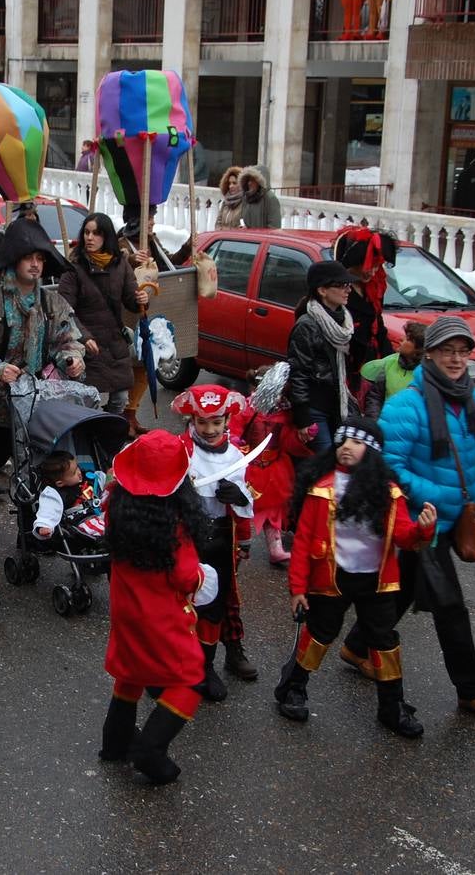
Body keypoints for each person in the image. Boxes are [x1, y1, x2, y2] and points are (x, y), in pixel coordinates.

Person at [339, 316, 475, 717]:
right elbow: (388, 464)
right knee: (449, 604)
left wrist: (470, 492)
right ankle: (473, 688)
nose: (455, 359)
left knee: (405, 590)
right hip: (418, 520)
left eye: (462, 351)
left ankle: (357, 645)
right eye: (447, 351)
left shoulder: (468, 396)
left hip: (453, 515)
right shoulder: (406, 406)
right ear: (429, 354)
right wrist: (443, 496)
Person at [275, 416, 437, 737]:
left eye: (357, 443)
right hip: (331, 578)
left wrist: (423, 528)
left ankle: (391, 707)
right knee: (319, 635)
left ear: (373, 451)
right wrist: (297, 588)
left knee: (384, 643)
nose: (346, 448)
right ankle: (292, 687)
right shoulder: (321, 491)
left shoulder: (389, 494)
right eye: (343, 441)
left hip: (376, 582)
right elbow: (304, 541)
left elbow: (404, 536)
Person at [99, 429, 217, 785]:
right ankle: (150, 748)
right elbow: (185, 577)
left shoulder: (116, 511)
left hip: (126, 610)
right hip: (162, 618)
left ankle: (115, 742)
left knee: (131, 668)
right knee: (190, 678)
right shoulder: (174, 530)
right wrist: (203, 577)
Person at [0, 217, 85, 496]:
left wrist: (72, 359)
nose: (35, 264)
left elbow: (68, 340)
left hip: (36, 404)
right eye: (28, 257)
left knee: (39, 475)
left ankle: (35, 534)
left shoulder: (52, 303)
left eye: (40, 258)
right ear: (14, 261)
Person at [174, 384, 256, 695]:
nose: (209, 430)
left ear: (227, 422)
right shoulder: (180, 450)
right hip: (188, 537)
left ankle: (205, 667)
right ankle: (178, 662)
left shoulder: (236, 455)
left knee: (214, 604)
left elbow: (246, 499)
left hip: (221, 536)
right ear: (192, 421)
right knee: (183, 601)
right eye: (202, 422)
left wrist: (238, 497)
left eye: (216, 423)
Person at [60, 213, 149, 414]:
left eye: (96, 233)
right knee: (87, 401)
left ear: (106, 236)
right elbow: (64, 310)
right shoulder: (73, 268)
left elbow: (130, 300)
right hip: (86, 347)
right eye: (87, 232)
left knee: (120, 398)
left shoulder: (121, 264)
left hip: (114, 343)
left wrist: (141, 300)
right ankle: (93, 435)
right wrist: (84, 337)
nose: (90, 238)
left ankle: (107, 431)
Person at [118, 206, 191, 437]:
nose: (152, 222)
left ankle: (131, 414)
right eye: (148, 217)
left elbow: (170, 262)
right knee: (130, 364)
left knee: (148, 363)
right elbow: (114, 267)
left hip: (153, 311)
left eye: (153, 217)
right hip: (129, 313)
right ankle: (120, 415)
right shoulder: (120, 243)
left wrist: (189, 247)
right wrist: (131, 259)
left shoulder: (153, 241)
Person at [234, 366, 316, 566]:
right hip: (247, 467)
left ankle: (275, 548)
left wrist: (302, 436)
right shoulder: (247, 408)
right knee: (237, 507)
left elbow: (287, 442)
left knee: (273, 510)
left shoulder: (285, 414)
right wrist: (234, 440)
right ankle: (235, 544)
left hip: (273, 469)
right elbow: (234, 425)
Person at [286, 261, 361, 452]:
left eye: (348, 285)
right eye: (341, 285)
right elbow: (298, 372)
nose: (347, 290)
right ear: (322, 290)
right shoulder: (307, 325)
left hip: (338, 404)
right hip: (315, 407)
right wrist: (303, 418)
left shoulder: (345, 323)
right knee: (326, 461)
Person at [333, 225, 396, 380]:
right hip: (345, 370)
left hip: (372, 366)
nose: (373, 272)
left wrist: (392, 361)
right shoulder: (334, 293)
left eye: (377, 266)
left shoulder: (373, 289)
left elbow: (378, 327)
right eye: (370, 265)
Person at [32, 450, 106, 541]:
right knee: (98, 527)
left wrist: (110, 477)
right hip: (82, 522)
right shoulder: (55, 494)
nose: (79, 472)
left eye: (77, 467)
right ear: (60, 483)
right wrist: (44, 526)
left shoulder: (88, 478)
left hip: (101, 512)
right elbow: (47, 512)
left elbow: (103, 480)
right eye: (74, 473)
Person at [361, 321, 426, 417]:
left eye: (407, 339)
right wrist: (375, 420)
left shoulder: (428, 372)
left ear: (419, 349)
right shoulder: (389, 363)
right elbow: (375, 397)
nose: (401, 339)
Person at [237, 165, 282, 229]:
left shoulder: (270, 199)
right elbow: (244, 220)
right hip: (247, 238)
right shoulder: (247, 198)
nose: (249, 183)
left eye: (253, 180)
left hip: (262, 239)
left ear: (260, 181)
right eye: (248, 180)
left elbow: (274, 228)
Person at [215, 165, 245, 230]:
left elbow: (242, 228)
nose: (231, 186)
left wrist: (226, 230)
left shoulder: (245, 204)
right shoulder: (225, 203)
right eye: (229, 183)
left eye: (234, 183)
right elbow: (217, 224)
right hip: (223, 239)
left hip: (235, 239)